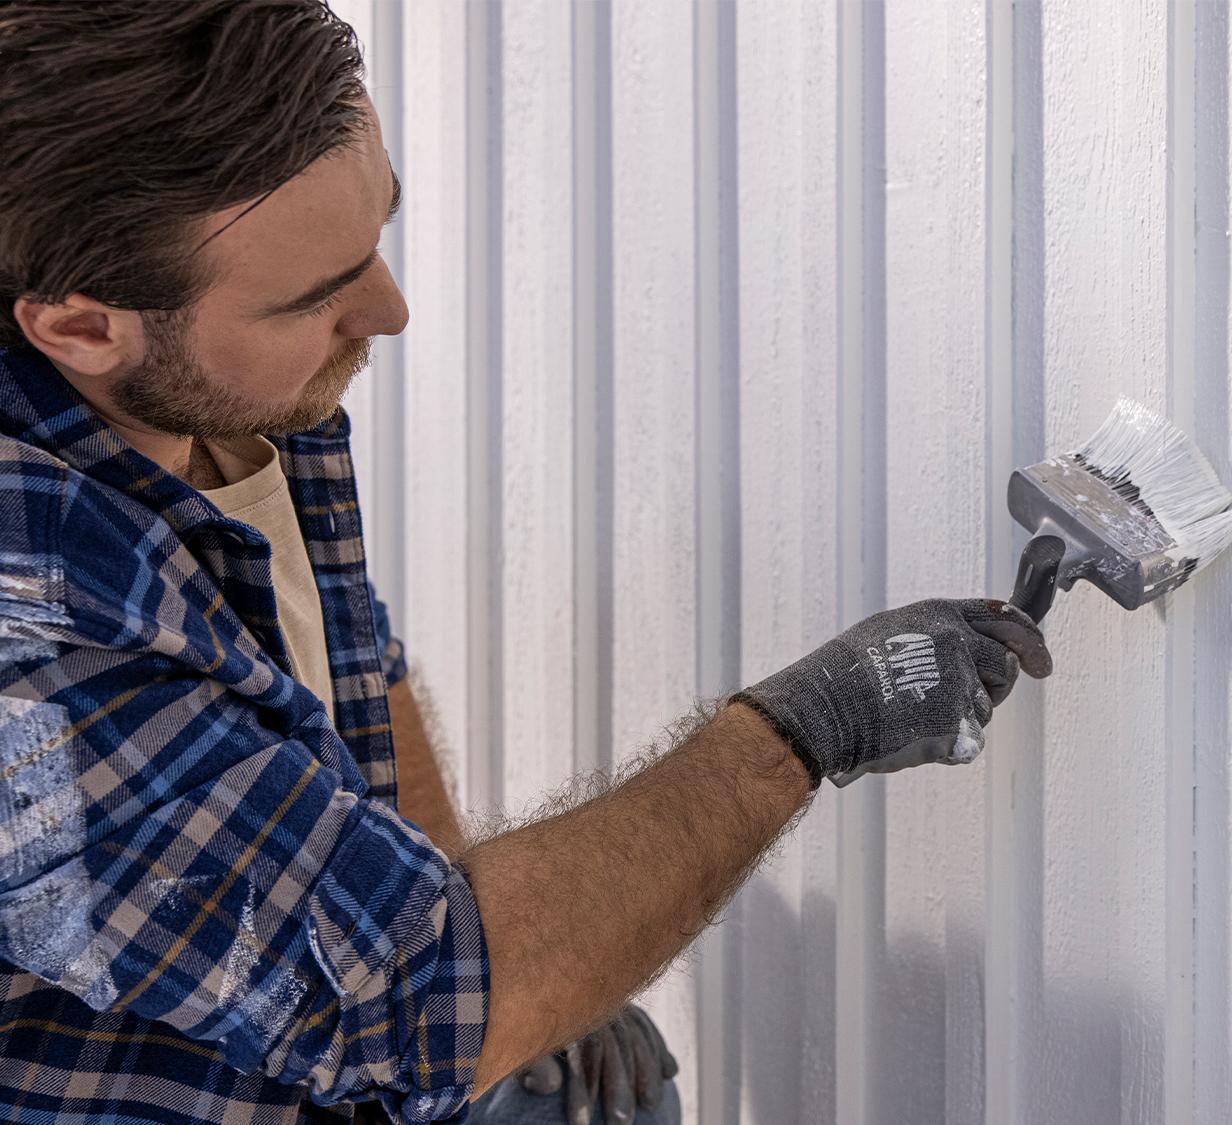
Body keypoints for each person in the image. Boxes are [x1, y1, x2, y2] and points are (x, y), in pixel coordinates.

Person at [0, 3, 1052, 1123]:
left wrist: (543, 959)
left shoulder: (216, 393)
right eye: (316, 296)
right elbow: (414, 996)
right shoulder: (35, 647)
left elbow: (355, 669)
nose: (389, 310)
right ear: (82, 328)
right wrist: (809, 723)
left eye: (376, 235)